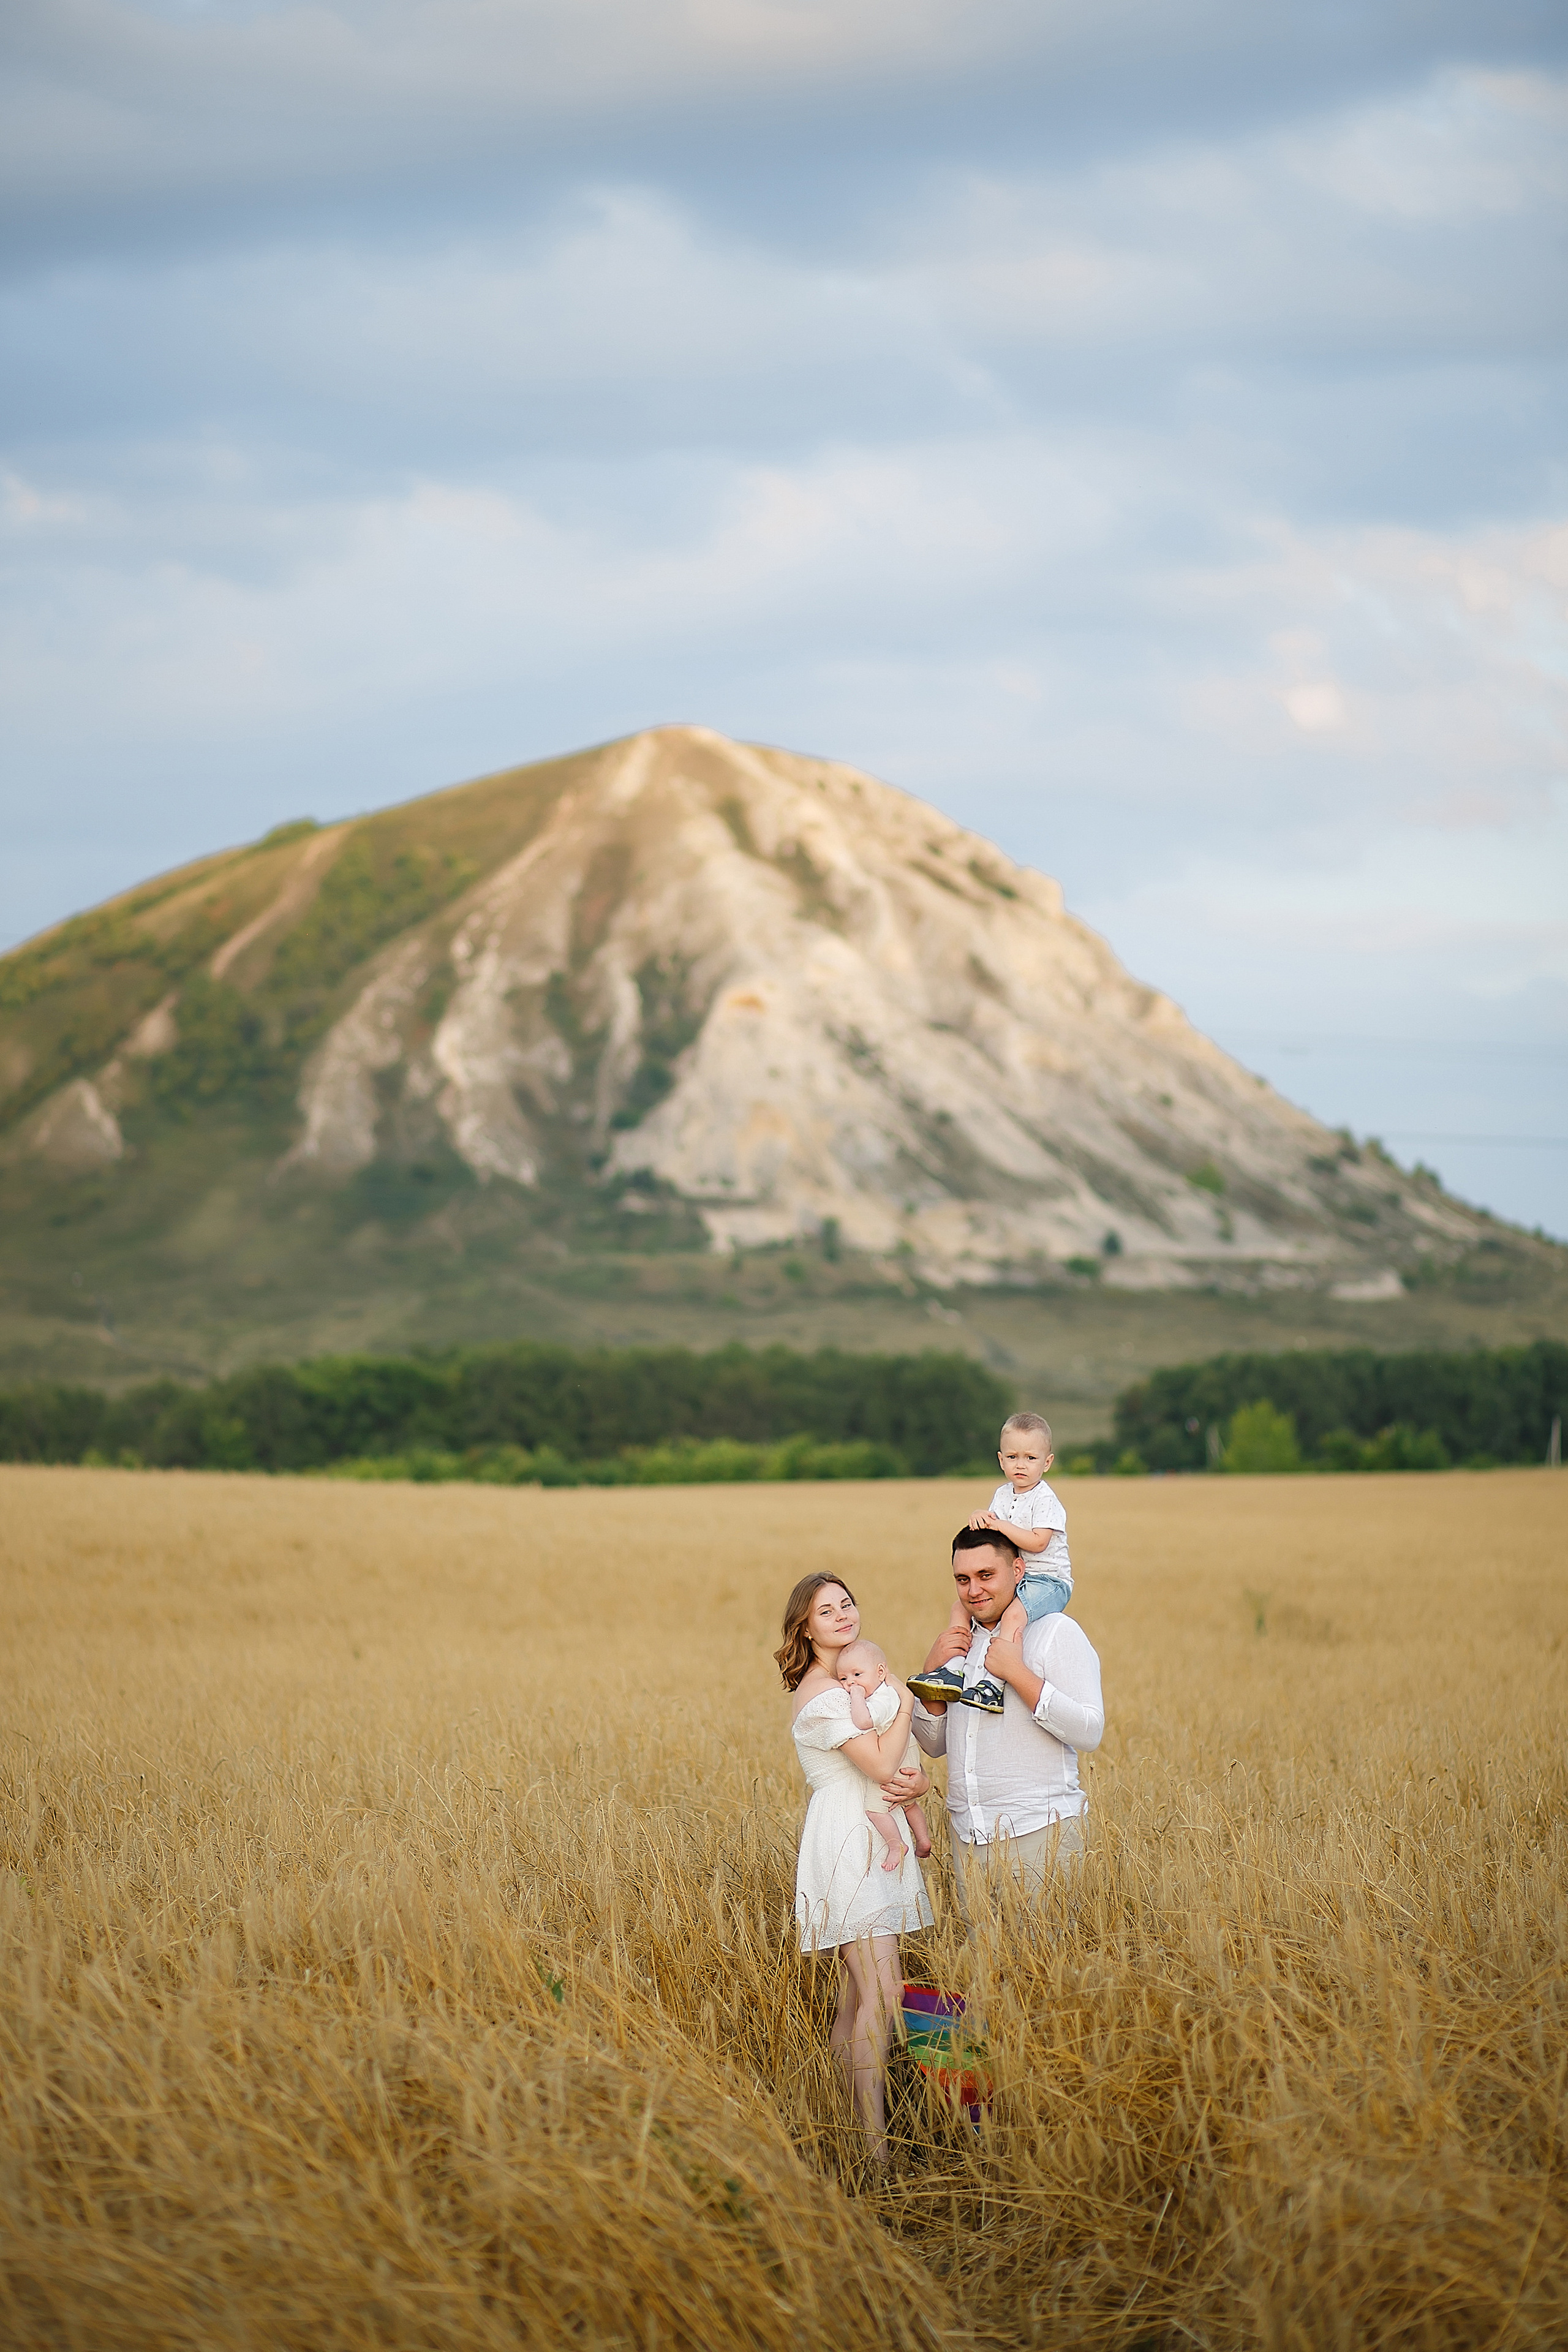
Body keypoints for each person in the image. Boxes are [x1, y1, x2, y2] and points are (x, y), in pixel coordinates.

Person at [777, 1572, 933, 2163]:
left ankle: (852, 2133)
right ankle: (876, 2150)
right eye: (826, 1610)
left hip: (868, 1830)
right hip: (850, 1841)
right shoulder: (823, 1694)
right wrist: (910, 1700)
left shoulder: (853, 1676)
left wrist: (918, 1781)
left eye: (847, 1603)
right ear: (805, 1626)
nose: (842, 1615)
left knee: (856, 1997)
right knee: (884, 1993)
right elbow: (876, 1761)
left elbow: (900, 1768)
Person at [910, 1525, 1104, 1929]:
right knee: (988, 1977)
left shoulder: (1055, 1632)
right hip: (969, 1839)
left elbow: (1089, 1731)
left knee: (1045, 1976)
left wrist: (1017, 1673)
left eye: (986, 1575)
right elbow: (935, 1745)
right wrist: (931, 1675)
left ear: (1018, 1570)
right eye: (962, 1580)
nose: (973, 1590)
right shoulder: (963, 1642)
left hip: (1040, 1833)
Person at [909, 1411, 1072, 1716]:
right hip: (1017, 1577)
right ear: (1001, 1460)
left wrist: (999, 1527)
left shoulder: (1045, 1499)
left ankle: (992, 1685)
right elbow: (991, 1537)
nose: (1020, 1465)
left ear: (1047, 1463)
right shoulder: (1002, 1494)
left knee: (1012, 1617)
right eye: (1012, 1457)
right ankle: (953, 1669)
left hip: (1049, 1581)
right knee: (960, 1607)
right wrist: (980, 1517)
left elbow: (1038, 1542)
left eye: (1031, 1458)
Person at [837, 1640, 934, 1872]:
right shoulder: (884, 1692)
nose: (851, 1683)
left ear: (880, 1672)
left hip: (898, 1755)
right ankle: (923, 1839)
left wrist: (857, 1697)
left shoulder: (882, 1698)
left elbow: (863, 1721)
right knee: (908, 1803)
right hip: (905, 1751)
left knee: (875, 1808)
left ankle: (896, 1844)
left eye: (858, 1674)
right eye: (843, 1679)